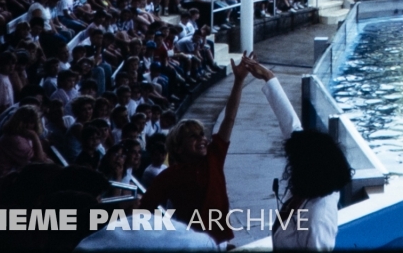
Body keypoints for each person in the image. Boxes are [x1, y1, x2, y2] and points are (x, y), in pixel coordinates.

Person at [140, 53, 252, 246]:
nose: (201, 139)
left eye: (202, 135)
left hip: (220, 241)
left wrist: (239, 81)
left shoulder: (214, 156)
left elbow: (229, 118)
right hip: (191, 244)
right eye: (193, 136)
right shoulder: (170, 175)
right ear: (178, 147)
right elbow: (145, 208)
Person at [244, 57, 352, 250]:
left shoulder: (319, 217)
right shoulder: (311, 186)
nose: (290, 166)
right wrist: (269, 78)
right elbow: (292, 127)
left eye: (295, 162)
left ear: (307, 169)